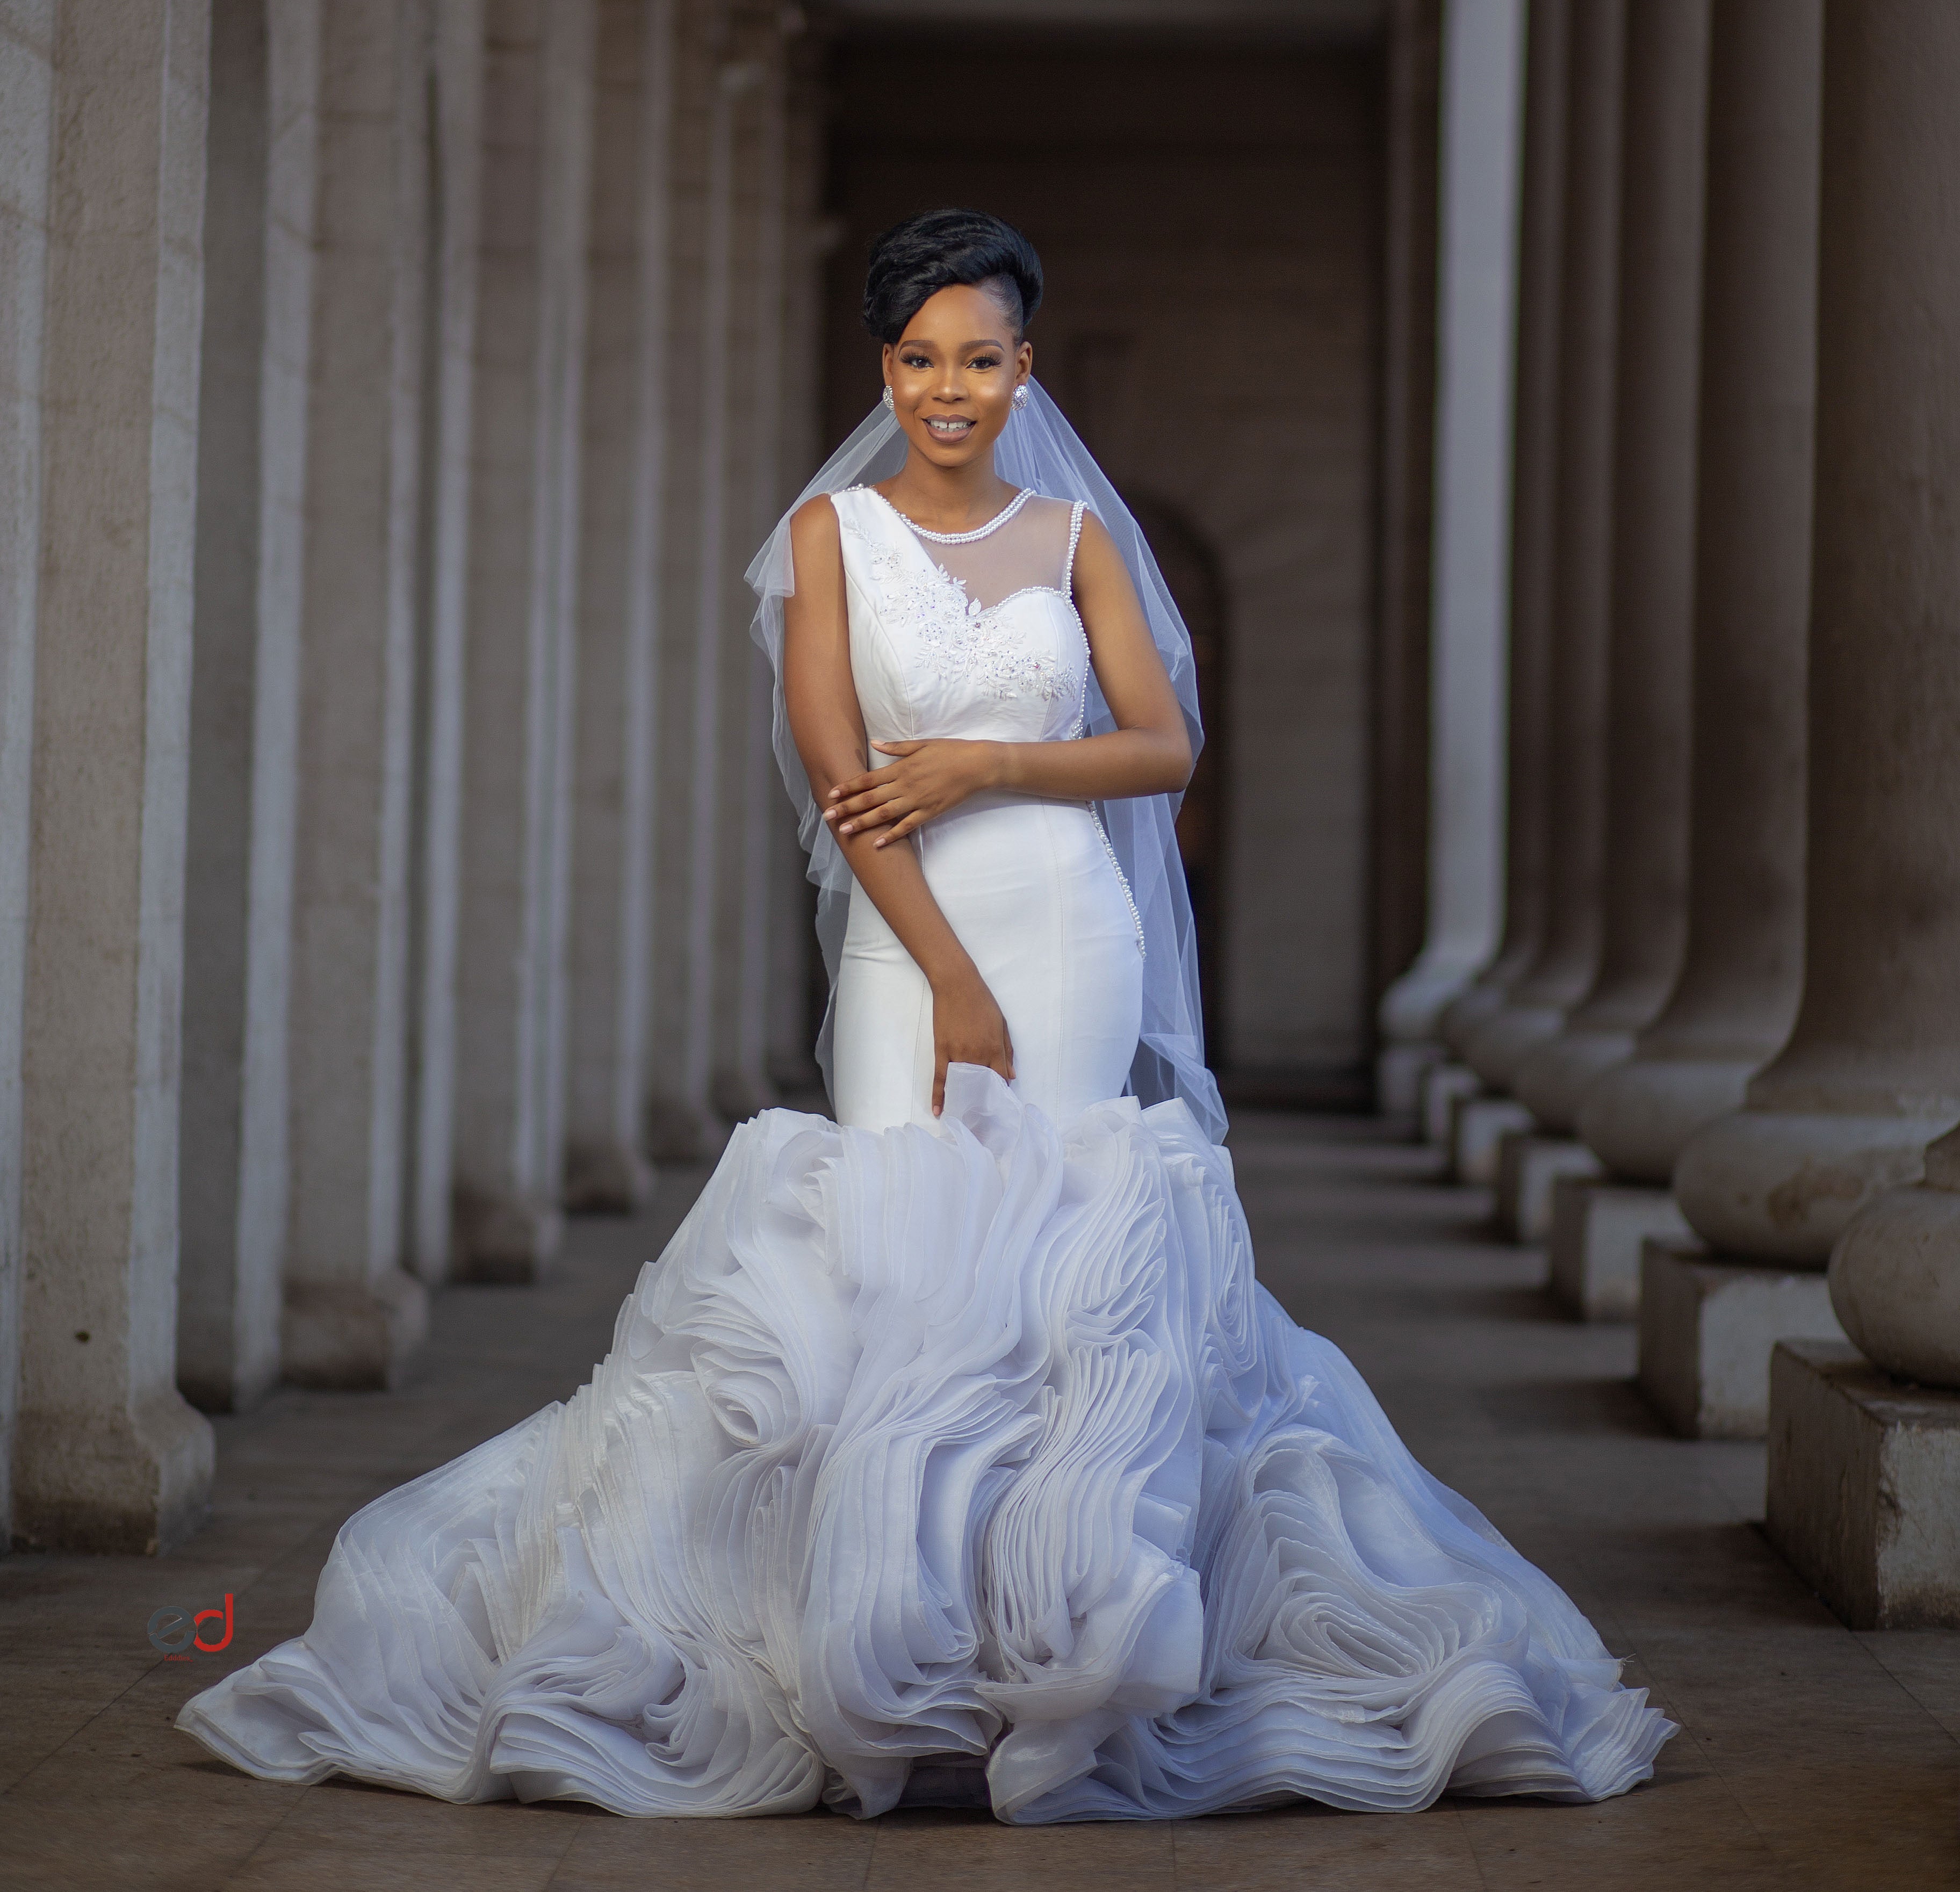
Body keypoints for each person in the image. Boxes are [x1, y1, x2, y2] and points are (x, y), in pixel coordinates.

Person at [177, 210, 1674, 1823]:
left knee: (1061, 1276)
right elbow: (842, 778)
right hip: (912, 942)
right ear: (881, 368)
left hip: (1072, 927)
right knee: (896, 1269)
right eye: (918, 359)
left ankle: (1056, 1638)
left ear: (1024, 368)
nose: (947, 387)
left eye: (978, 357)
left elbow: (1164, 746)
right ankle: (883, 1657)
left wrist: (990, 763)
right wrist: (949, 969)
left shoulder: (1076, 540)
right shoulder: (830, 536)